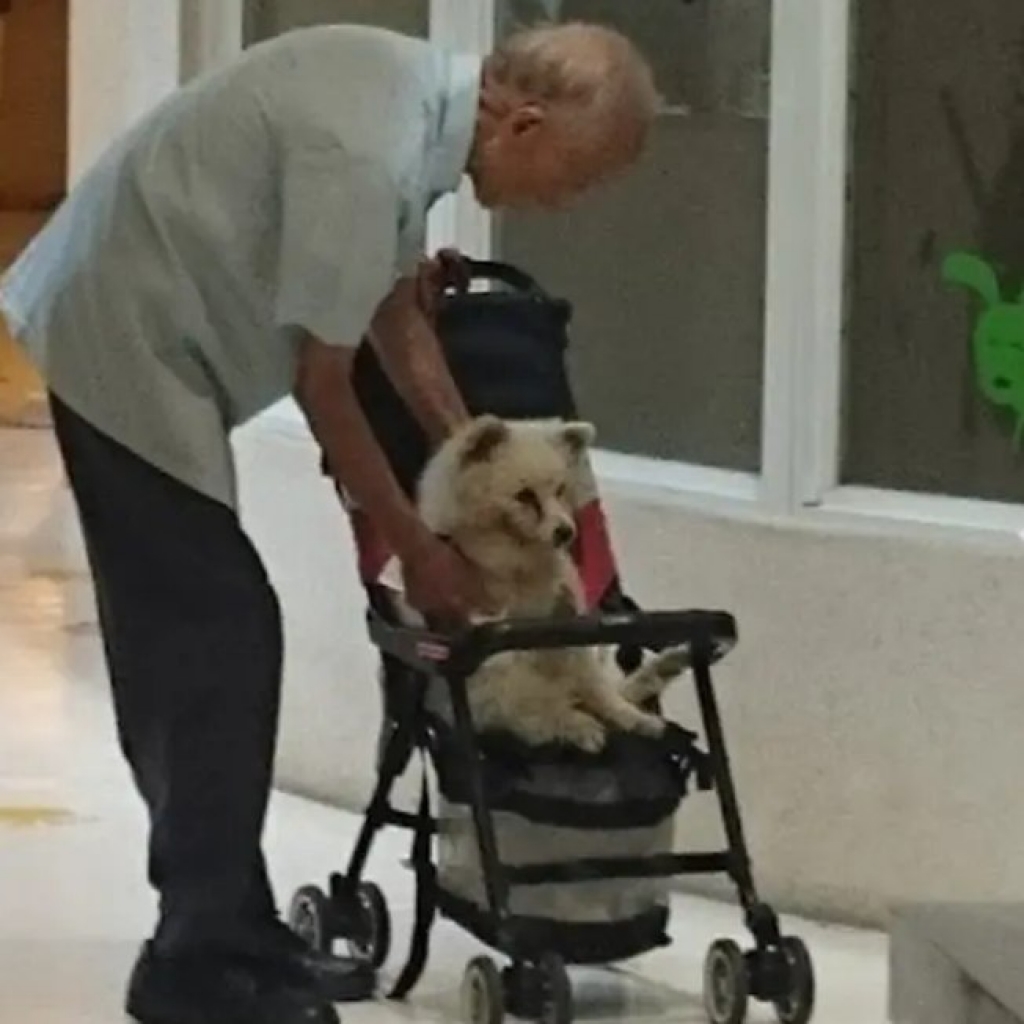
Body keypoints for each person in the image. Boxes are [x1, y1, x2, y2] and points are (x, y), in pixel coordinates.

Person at [0, 20, 658, 1024]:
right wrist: (416, 545)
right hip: (117, 330)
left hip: (144, 320)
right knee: (212, 638)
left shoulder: (408, 108)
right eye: (581, 175)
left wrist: (478, 455)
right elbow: (324, 375)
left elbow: (393, 315)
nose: (571, 201)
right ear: (524, 122)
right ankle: (194, 962)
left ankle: (228, 927)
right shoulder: (370, 145)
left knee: (204, 638)